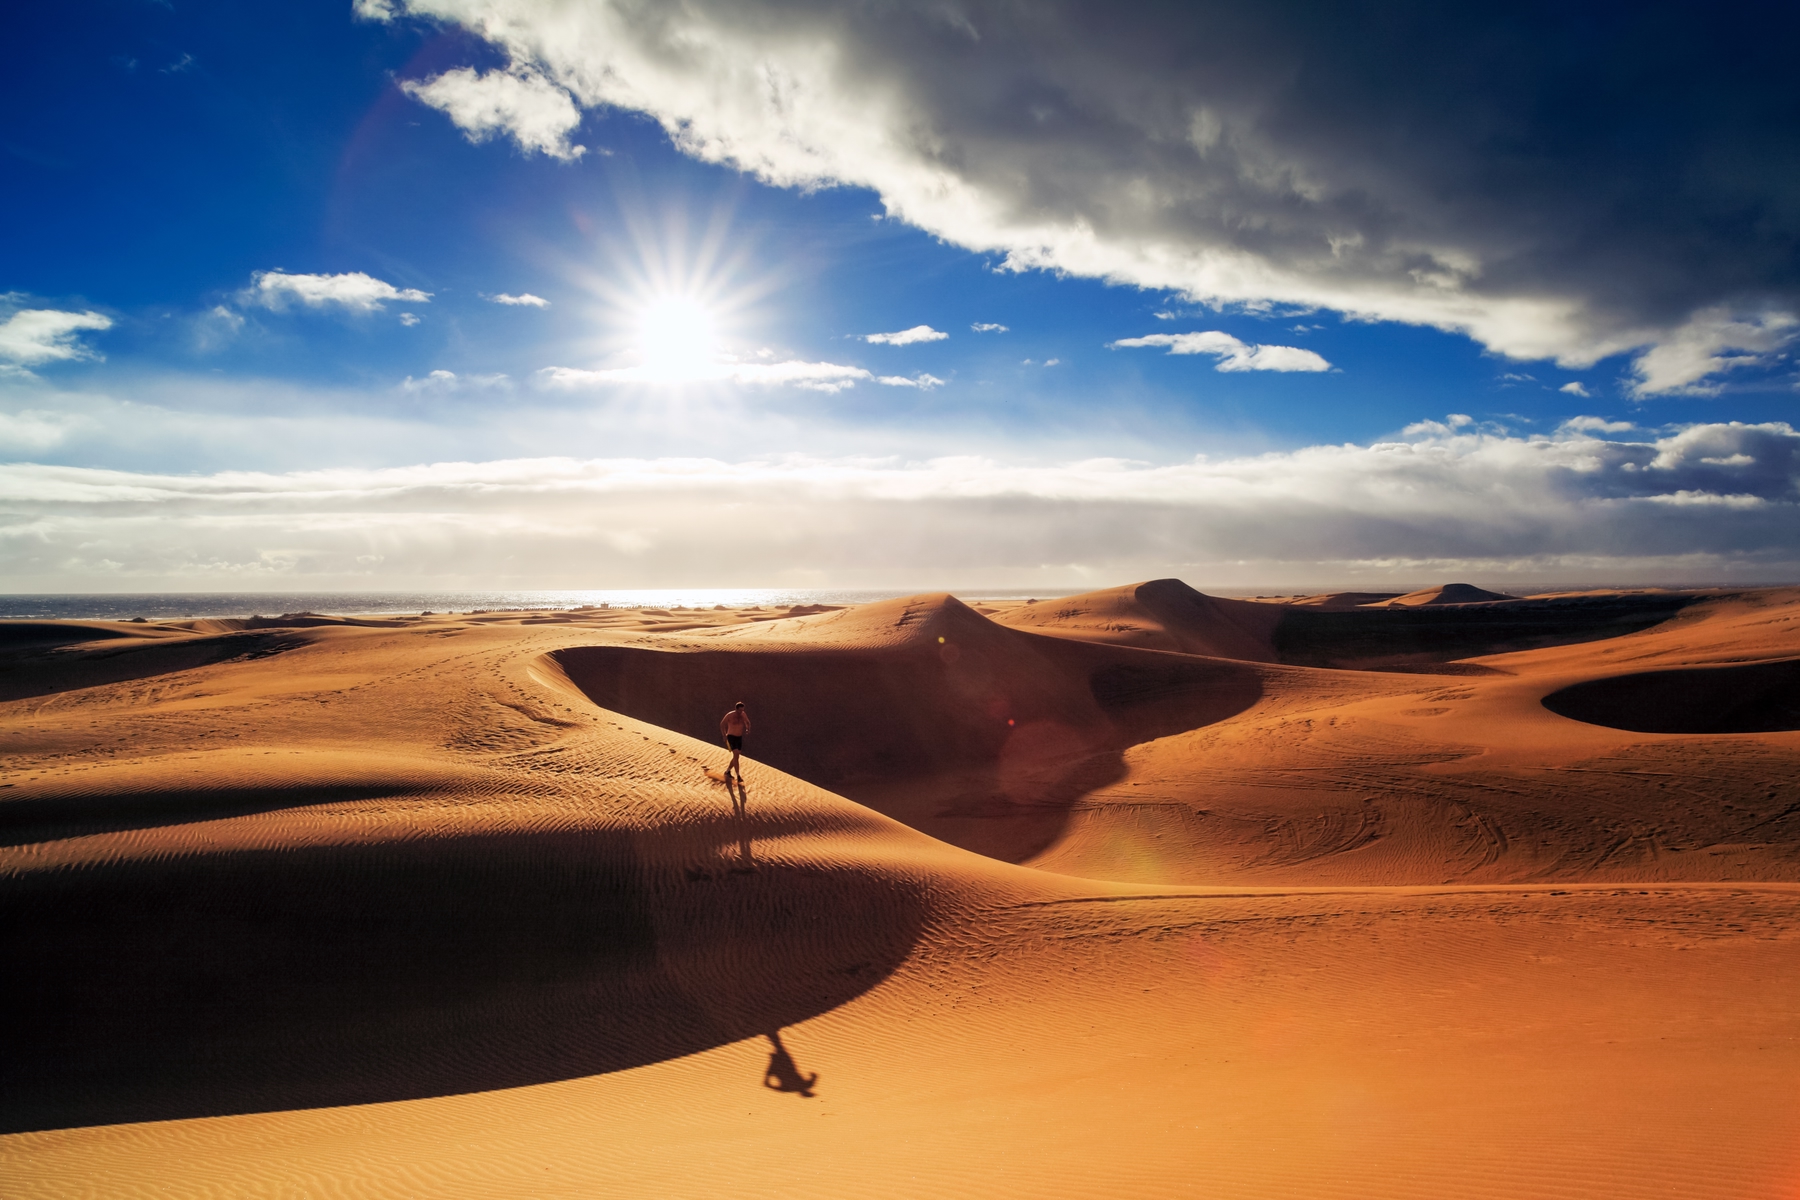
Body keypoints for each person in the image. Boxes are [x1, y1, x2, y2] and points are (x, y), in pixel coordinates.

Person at [720, 701, 751, 779]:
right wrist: (724, 735)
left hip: (739, 738)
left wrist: (747, 729)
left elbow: (747, 722)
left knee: (736, 756)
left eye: (742, 710)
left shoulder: (743, 714)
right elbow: (722, 724)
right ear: (736, 709)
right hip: (731, 737)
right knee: (736, 754)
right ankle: (738, 775)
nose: (741, 712)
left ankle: (727, 771)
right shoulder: (730, 715)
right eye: (740, 710)